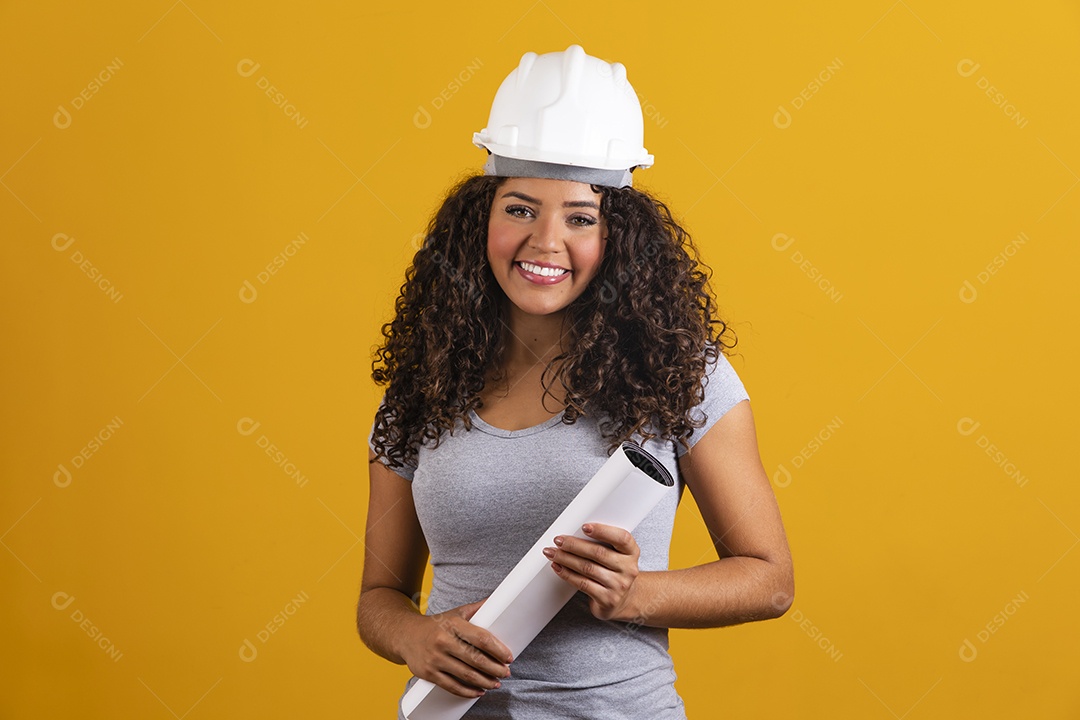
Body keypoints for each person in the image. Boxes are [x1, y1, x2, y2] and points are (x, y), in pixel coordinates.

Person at [358, 45, 794, 719]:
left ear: (619, 235)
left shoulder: (680, 373)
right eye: (521, 209)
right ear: (481, 221)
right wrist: (416, 635)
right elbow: (378, 600)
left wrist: (635, 593)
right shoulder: (424, 384)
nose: (545, 242)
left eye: (581, 218)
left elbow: (769, 580)